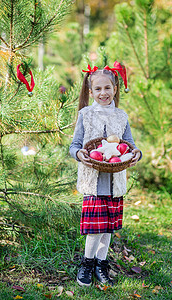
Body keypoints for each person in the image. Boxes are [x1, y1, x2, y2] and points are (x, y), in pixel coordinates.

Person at [69, 62, 142, 287]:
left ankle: (102, 264)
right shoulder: (86, 114)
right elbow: (74, 145)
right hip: (93, 181)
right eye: (98, 89)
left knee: (108, 227)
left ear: (115, 88)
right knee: (95, 228)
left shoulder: (121, 116)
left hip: (114, 180)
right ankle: (87, 264)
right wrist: (79, 154)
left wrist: (136, 152)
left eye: (107, 88)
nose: (103, 93)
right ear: (91, 92)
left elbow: (129, 144)